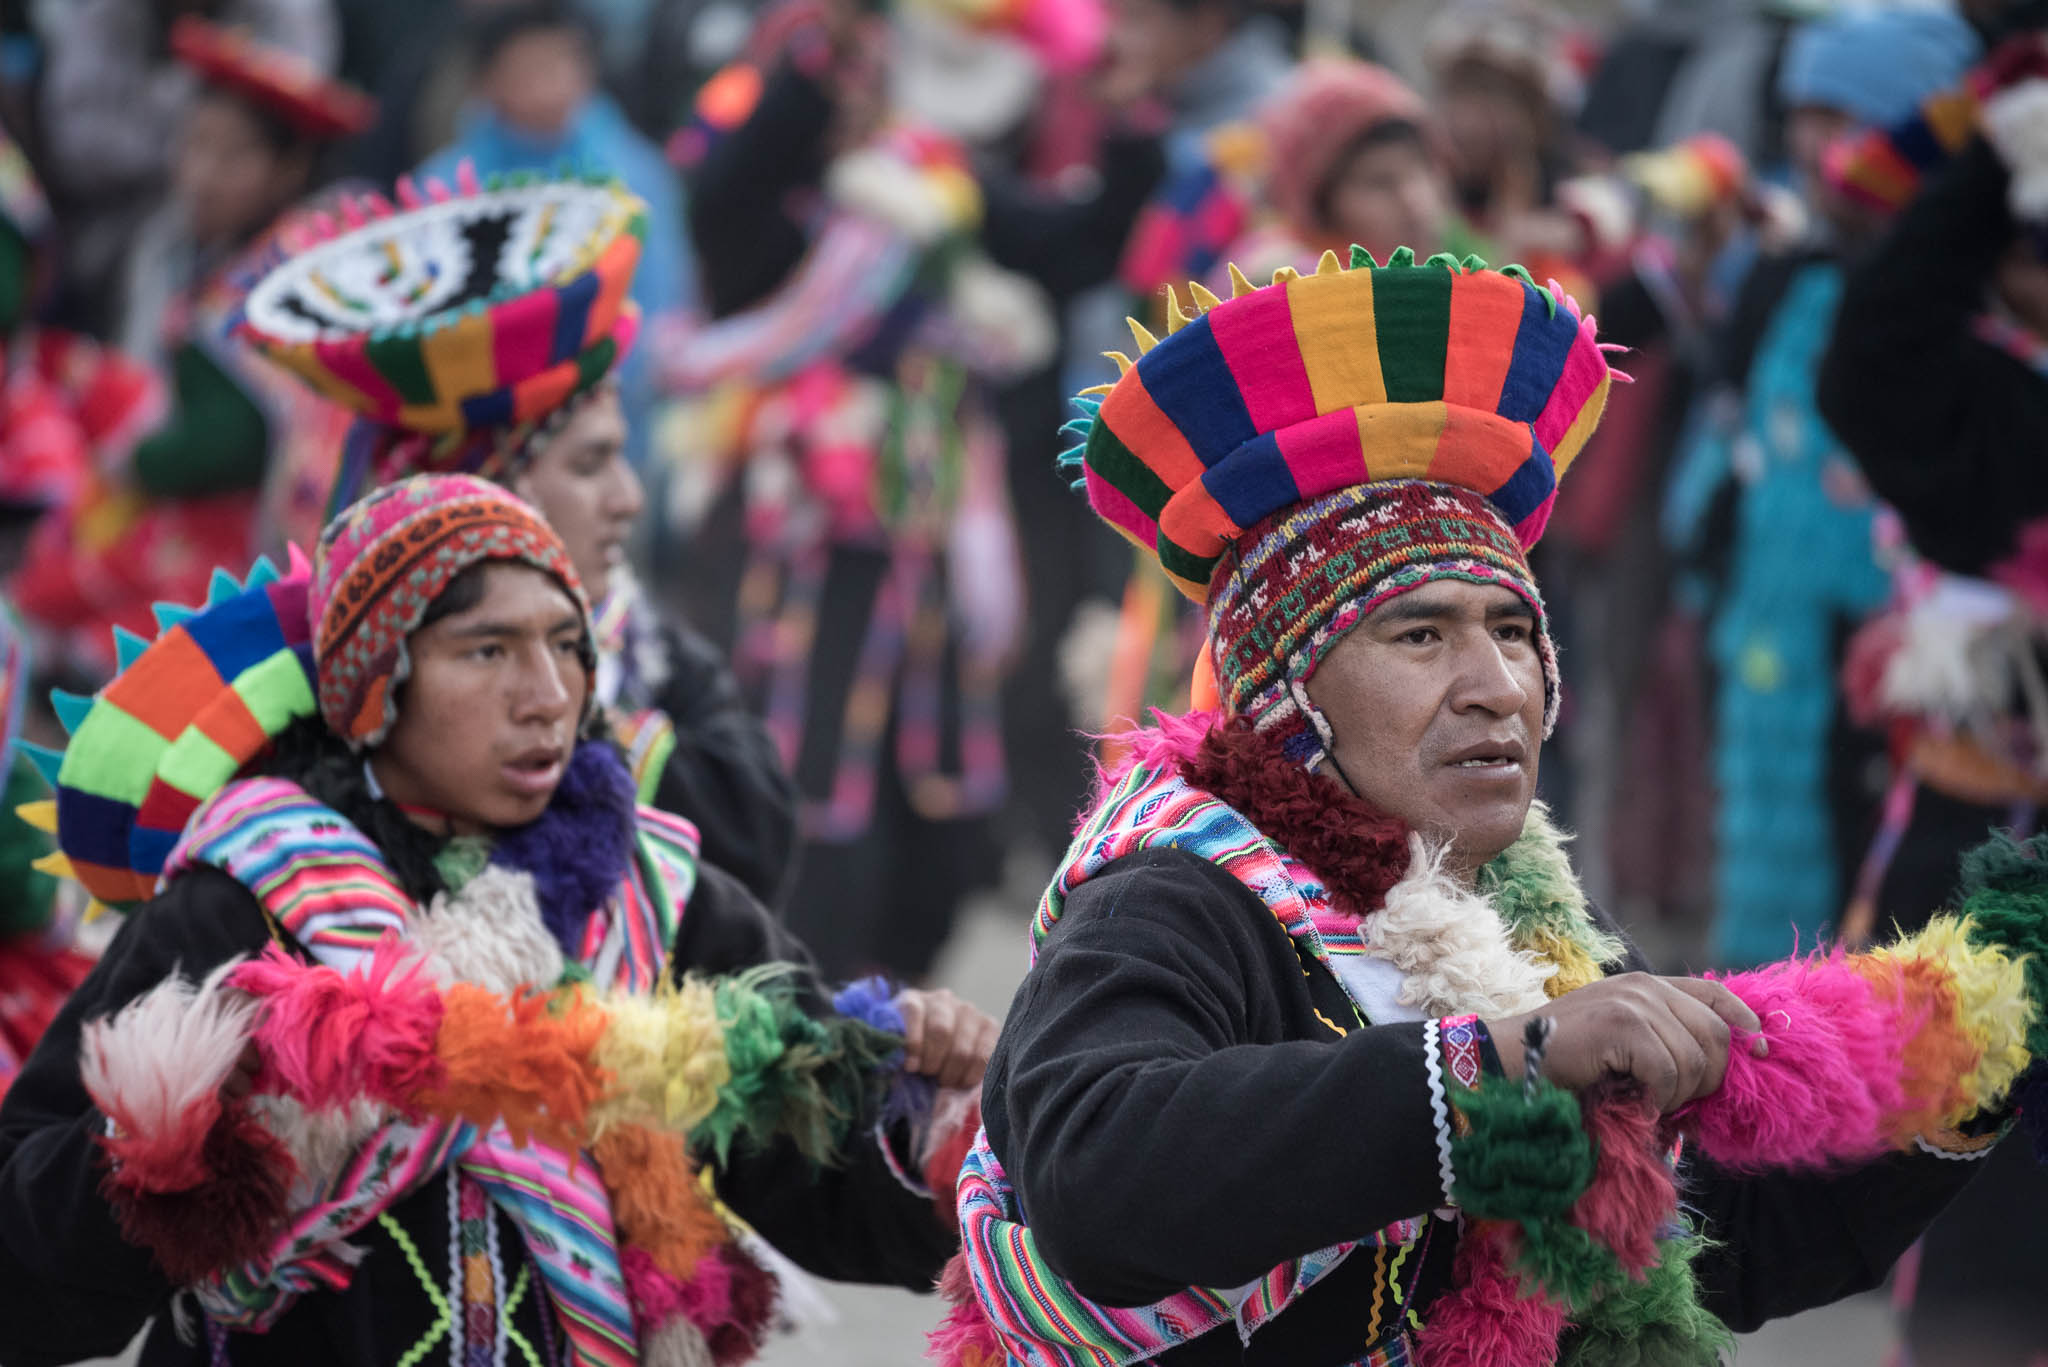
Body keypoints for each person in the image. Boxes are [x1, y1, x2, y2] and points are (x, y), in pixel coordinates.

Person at [923, 249, 2043, 1367]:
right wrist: (1502, 1061)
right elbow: (1096, 1174)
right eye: (1420, 634)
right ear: (1284, 691)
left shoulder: (1523, 908)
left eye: (1513, 631)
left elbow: (1711, 1243)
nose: (1498, 686)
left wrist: (1975, 1044)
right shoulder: (1173, 896)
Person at [0, 471, 995, 1367]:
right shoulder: (247, 900)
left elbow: (820, 1165)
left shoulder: (654, 900)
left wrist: (941, 1122)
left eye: (566, 645)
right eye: (487, 650)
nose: (548, 695)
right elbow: (23, 1266)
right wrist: (190, 1131)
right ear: (373, 689)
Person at [243, 171, 797, 907]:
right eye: (591, 464)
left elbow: (755, 838)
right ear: (491, 493)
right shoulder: (318, 707)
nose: (629, 499)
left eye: (561, 652)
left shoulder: (653, 657)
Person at [677, 5, 1044, 981]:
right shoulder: (769, 217)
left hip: (921, 539)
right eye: (837, 80)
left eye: (872, 74)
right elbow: (728, 193)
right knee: (809, 778)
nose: (858, 94)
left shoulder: (931, 197)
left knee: (931, 797)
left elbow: (1060, 241)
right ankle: (806, 978)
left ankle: (901, 978)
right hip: (799, 550)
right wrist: (810, 72)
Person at [1663, 4, 1980, 966]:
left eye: (1844, 118)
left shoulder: (1955, 293)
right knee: (1770, 860)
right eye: (1804, 115)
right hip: (1770, 626)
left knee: (1886, 898)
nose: (1815, 143)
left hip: (1907, 644)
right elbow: (1731, 430)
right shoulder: (1783, 271)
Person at [10, 17, 372, 678]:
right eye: (195, 145)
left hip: (257, 539)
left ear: (289, 168)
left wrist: (138, 463)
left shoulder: (296, 277)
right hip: (197, 515)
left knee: (123, 625)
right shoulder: (182, 251)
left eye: (232, 157)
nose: (202, 174)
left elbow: (234, 437)